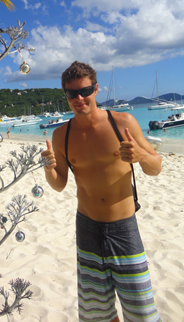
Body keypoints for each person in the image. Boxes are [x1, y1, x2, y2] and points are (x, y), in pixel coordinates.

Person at [41, 61, 162, 322]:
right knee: (97, 313)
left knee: (141, 311)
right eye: (72, 94)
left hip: (123, 228)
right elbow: (59, 184)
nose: (79, 99)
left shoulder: (122, 122)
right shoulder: (62, 135)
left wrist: (141, 155)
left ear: (96, 89)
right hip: (87, 229)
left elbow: (155, 168)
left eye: (84, 91)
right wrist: (48, 167)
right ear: (66, 95)